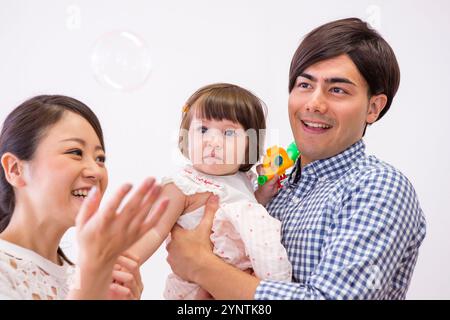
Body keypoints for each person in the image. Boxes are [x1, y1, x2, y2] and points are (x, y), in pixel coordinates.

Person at [166, 18, 427, 300]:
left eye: (337, 89)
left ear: (373, 108)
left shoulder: (379, 187)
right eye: (304, 84)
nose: (314, 103)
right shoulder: (271, 190)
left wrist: (200, 266)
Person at [130, 83, 291, 299]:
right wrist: (127, 262)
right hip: (195, 289)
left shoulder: (244, 181)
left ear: (249, 146)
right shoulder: (184, 185)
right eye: (203, 129)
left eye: (228, 132)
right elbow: (154, 230)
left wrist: (262, 195)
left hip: (239, 286)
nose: (212, 141)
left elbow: (245, 217)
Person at [0, 95, 169, 300]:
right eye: (75, 152)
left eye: (100, 158)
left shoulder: (81, 276)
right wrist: (92, 280)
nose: (96, 172)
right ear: (15, 169)